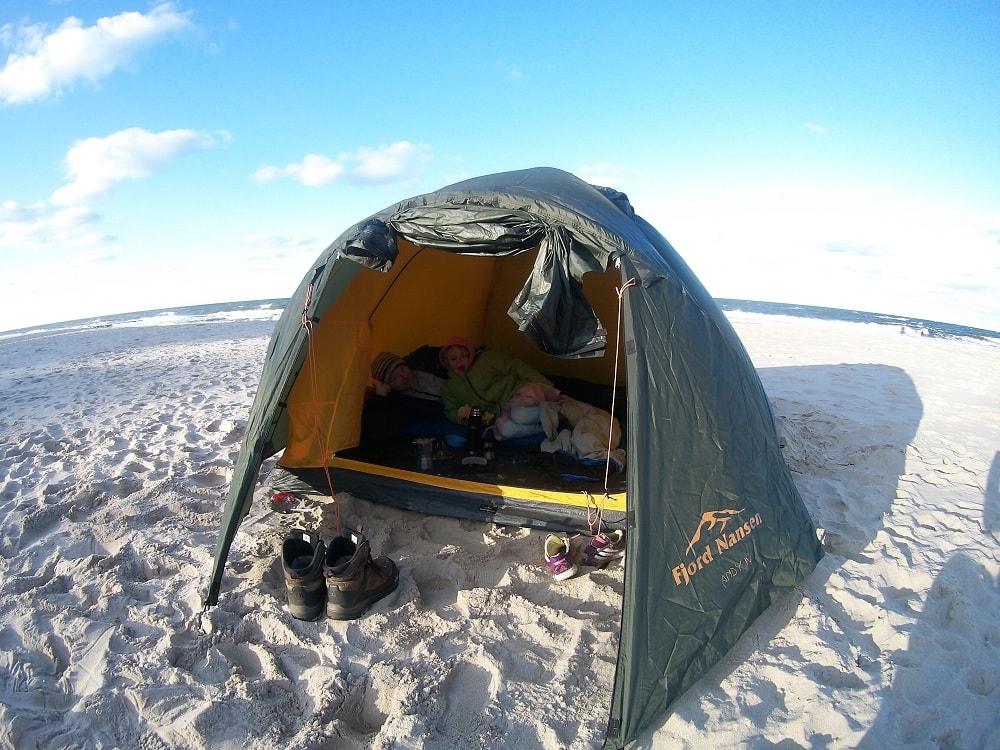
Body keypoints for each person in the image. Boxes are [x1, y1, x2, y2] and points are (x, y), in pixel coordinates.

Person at [438, 336, 560, 441]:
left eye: (463, 356)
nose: (459, 361)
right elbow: (450, 411)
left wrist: (546, 385)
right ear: (447, 362)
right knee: (505, 430)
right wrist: (461, 414)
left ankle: (559, 411)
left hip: (519, 394)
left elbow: (515, 366)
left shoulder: (486, 359)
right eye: (453, 359)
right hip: (502, 412)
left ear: (470, 355)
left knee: (519, 415)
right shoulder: (449, 388)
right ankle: (550, 427)